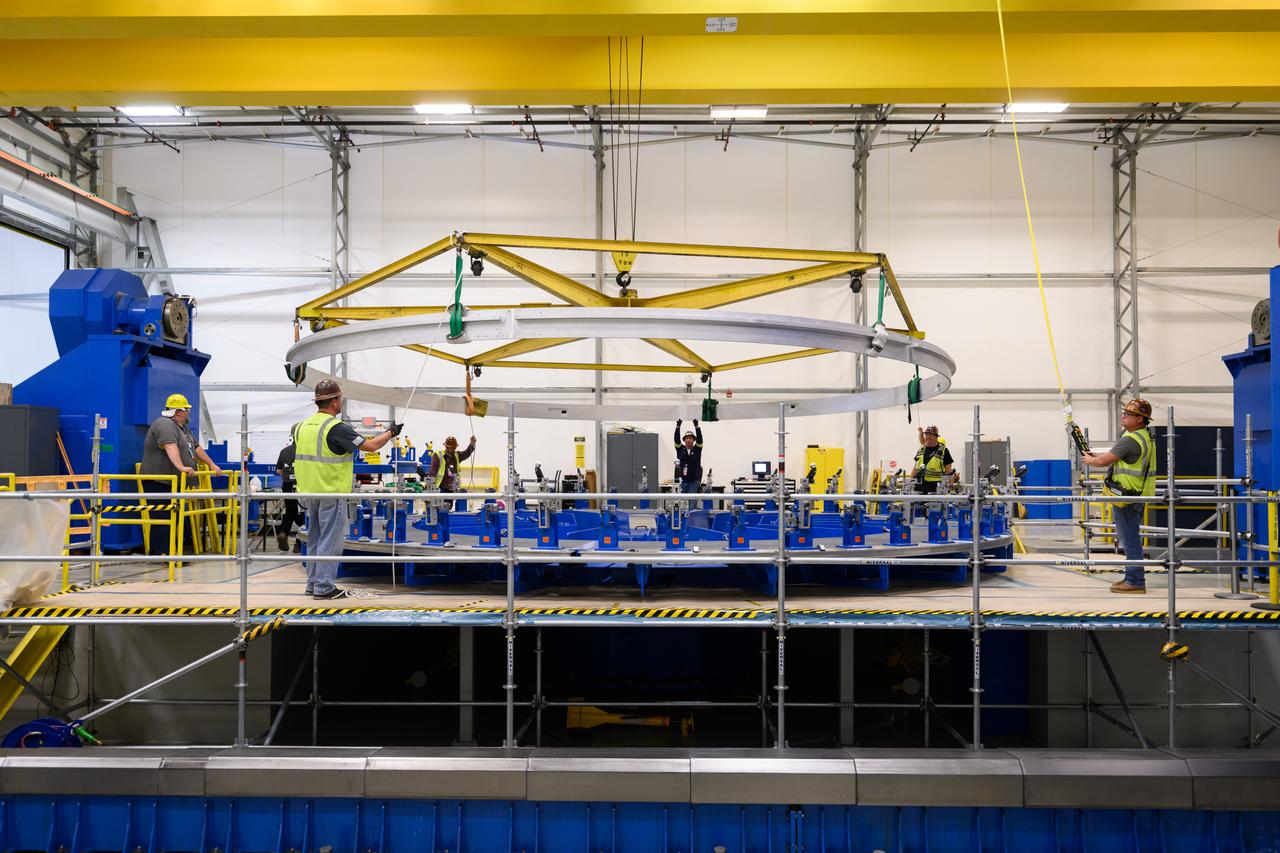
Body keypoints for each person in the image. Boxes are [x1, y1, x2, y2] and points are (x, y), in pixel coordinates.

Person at [293, 380, 401, 599]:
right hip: (331, 492)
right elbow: (370, 446)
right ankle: (324, 587)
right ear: (334, 402)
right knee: (329, 541)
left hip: (308, 494)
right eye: (340, 398)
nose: (341, 402)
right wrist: (391, 432)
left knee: (314, 539)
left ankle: (313, 584)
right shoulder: (336, 428)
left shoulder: (301, 426)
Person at [1081, 398, 1156, 594]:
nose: (1124, 416)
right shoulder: (1144, 436)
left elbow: (1104, 461)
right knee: (1132, 537)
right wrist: (1095, 456)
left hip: (1126, 496)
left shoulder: (1130, 439)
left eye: (1128, 414)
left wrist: (1091, 460)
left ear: (1140, 419)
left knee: (1129, 538)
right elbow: (1115, 456)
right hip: (1138, 494)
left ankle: (1135, 581)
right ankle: (1132, 576)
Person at [139, 393, 223, 558]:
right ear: (178, 411)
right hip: (159, 481)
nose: (189, 413)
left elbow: (196, 448)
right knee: (162, 518)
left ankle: (171, 552)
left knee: (175, 517)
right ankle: (163, 553)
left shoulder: (182, 428)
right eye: (186, 410)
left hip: (174, 482)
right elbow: (170, 446)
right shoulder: (164, 425)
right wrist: (181, 466)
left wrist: (211, 464)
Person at [274, 436, 302, 552]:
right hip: (303, 485)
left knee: (291, 511)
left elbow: (278, 470)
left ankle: (283, 533)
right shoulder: (306, 451)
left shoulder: (284, 451)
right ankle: (299, 543)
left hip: (287, 485)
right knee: (307, 514)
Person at [909, 425, 954, 494]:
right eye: (926, 435)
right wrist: (909, 482)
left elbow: (949, 471)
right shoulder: (921, 449)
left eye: (930, 435)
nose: (928, 437)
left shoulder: (944, 451)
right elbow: (915, 467)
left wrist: (951, 488)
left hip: (935, 489)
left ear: (936, 437)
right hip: (918, 488)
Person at [674, 418, 704, 493]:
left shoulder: (697, 449)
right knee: (681, 503)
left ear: (694, 440)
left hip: (693, 482)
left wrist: (697, 426)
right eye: (686, 438)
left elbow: (700, 440)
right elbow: (677, 440)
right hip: (682, 481)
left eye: (690, 438)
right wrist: (678, 426)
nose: (688, 440)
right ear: (684, 440)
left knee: (692, 504)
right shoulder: (680, 449)